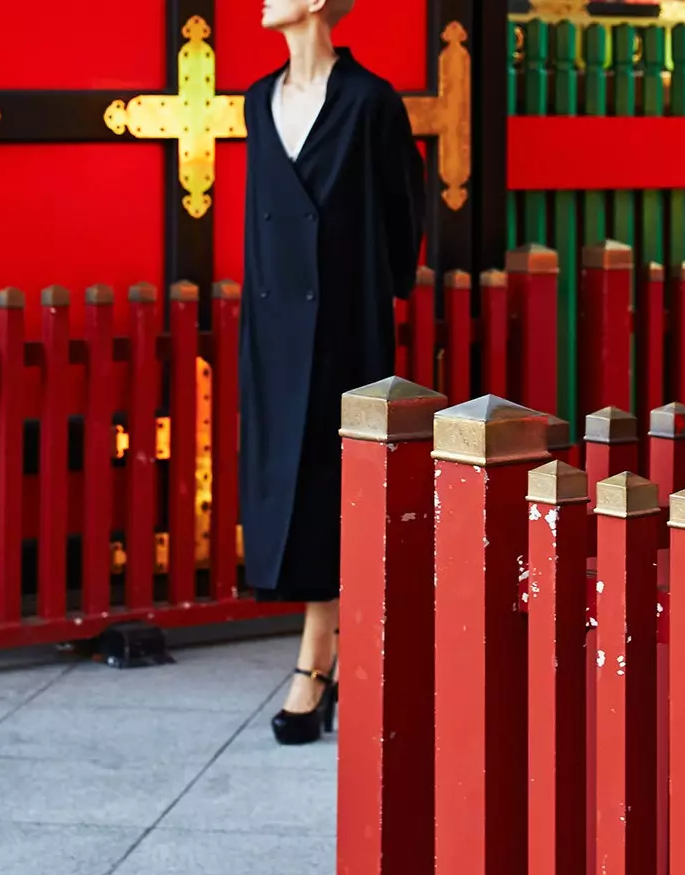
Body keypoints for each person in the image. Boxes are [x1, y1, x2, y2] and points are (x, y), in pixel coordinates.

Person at [243, 0, 425, 745]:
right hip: (274, 327)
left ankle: (313, 662)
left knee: (333, 486)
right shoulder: (259, 101)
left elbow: (403, 217)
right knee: (285, 487)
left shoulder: (370, 102)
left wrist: (358, 296)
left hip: (345, 325)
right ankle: (335, 652)